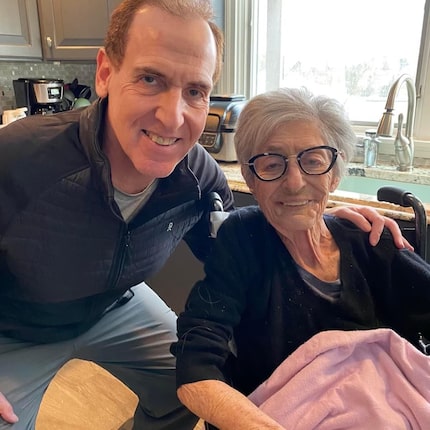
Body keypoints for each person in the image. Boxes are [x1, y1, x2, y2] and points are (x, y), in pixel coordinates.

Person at [0, 0, 409, 428]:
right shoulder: (22, 156)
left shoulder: (199, 177)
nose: (172, 116)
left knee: (192, 390)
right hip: (16, 329)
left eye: (194, 91)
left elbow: (244, 245)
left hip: (116, 304)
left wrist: (321, 216)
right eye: (150, 79)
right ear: (105, 73)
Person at [171, 87, 430, 430]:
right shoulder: (244, 240)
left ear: (334, 174)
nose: (294, 183)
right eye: (272, 164)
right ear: (249, 177)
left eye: (312, 161)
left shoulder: (369, 240)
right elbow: (196, 364)